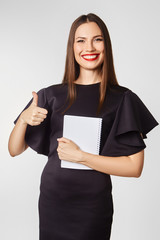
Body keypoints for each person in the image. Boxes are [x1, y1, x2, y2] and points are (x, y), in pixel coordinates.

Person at [8, 13, 158, 240]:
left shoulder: (123, 99)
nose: (89, 47)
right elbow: (14, 149)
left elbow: (134, 168)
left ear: (106, 45)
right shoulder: (50, 95)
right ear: (72, 47)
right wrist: (23, 119)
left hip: (93, 205)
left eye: (97, 39)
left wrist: (81, 157)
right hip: (53, 200)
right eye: (81, 40)